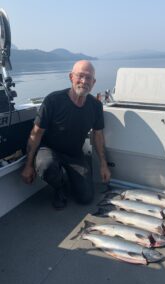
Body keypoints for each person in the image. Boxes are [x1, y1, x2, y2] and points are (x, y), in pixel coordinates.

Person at [21, 60, 111, 210]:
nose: (84, 81)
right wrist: (28, 165)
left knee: (86, 197)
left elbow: (98, 135)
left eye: (88, 78)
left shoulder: (95, 106)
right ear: (71, 77)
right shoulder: (53, 100)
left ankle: (68, 176)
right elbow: (35, 134)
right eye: (80, 76)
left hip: (74, 153)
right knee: (46, 165)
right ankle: (59, 188)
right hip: (49, 149)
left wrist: (103, 164)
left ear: (94, 82)